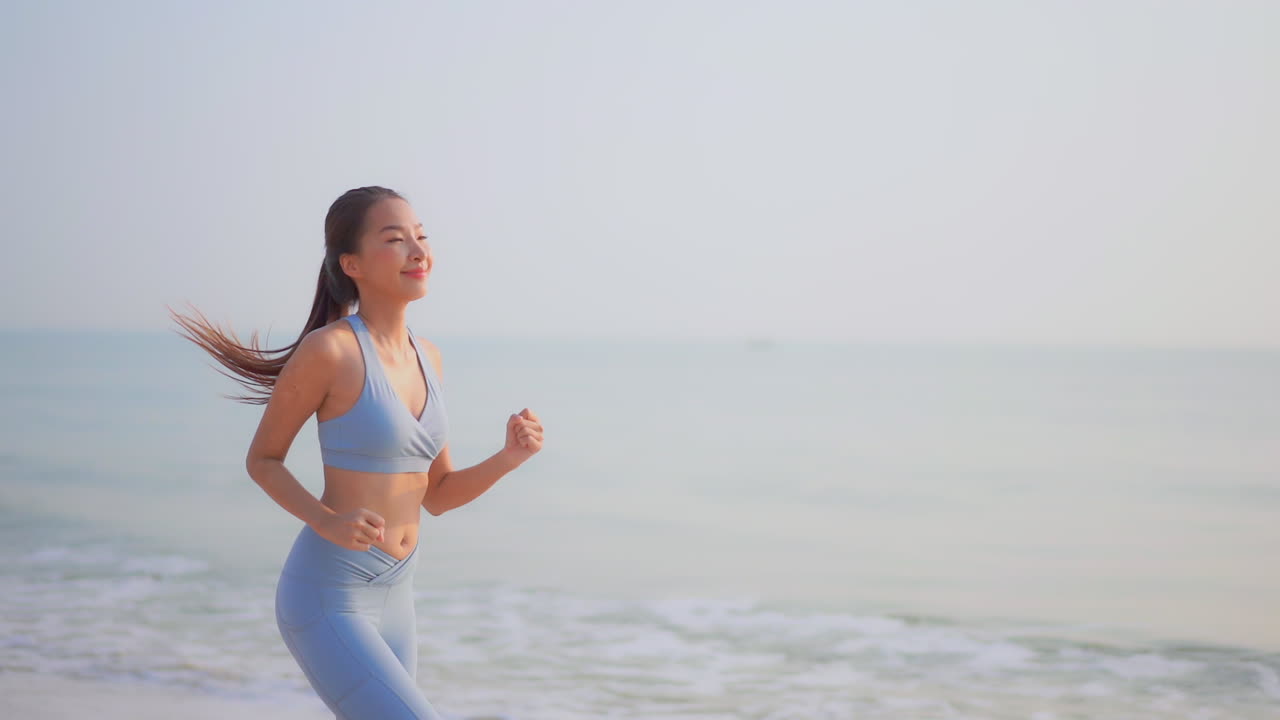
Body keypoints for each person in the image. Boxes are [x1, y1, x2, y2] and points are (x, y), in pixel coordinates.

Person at [169, 185, 543, 719]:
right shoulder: (330, 351)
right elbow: (263, 460)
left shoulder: (428, 357)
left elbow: (437, 494)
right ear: (353, 264)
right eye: (395, 239)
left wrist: (508, 457)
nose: (418, 251)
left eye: (421, 236)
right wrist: (326, 521)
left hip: (398, 595)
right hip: (329, 594)